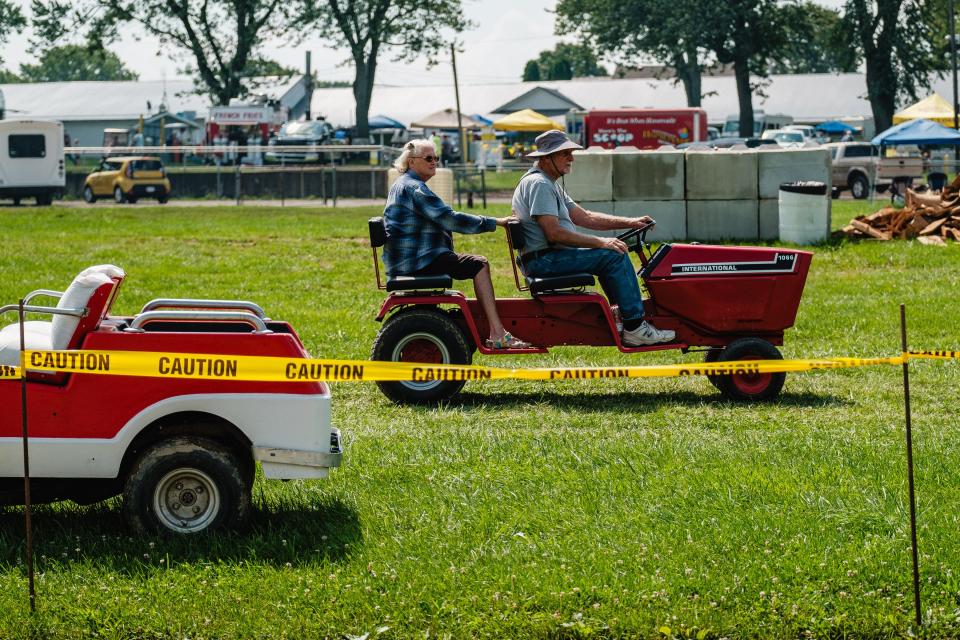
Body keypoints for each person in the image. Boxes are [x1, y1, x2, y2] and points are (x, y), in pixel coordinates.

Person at [511, 129, 675, 346]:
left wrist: (631, 222)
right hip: (544, 260)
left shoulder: (548, 183)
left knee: (610, 252)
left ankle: (621, 317)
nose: (571, 158)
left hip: (545, 257)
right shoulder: (540, 184)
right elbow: (554, 233)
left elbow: (585, 217)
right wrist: (602, 242)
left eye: (571, 152)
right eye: (564, 153)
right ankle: (635, 326)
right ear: (546, 157)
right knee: (613, 256)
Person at [383, 139, 531, 350]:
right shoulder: (415, 188)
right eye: (428, 158)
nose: (434, 162)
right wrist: (496, 222)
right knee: (479, 264)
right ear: (411, 161)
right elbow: (449, 219)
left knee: (471, 262)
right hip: (418, 261)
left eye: (436, 158)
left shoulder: (403, 184)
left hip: (411, 259)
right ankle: (498, 333)